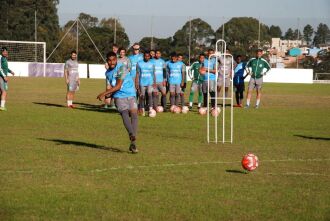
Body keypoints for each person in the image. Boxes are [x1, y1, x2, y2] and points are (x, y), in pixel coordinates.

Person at [97, 52, 138, 153]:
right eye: (109, 60)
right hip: (119, 97)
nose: (111, 62)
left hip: (130, 93)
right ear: (107, 61)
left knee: (134, 114)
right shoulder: (107, 74)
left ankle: (133, 142)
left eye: (113, 60)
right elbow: (114, 88)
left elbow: (118, 86)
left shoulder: (121, 68)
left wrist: (104, 93)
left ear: (116, 60)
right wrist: (108, 95)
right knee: (124, 113)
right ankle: (131, 135)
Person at [135, 51, 155, 116]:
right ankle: (142, 110)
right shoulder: (139, 63)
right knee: (142, 97)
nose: (147, 57)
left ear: (150, 57)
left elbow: (153, 74)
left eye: (148, 56)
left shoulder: (152, 64)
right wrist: (136, 83)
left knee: (149, 94)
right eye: (145, 56)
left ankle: (150, 109)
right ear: (143, 56)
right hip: (142, 82)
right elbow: (137, 74)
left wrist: (154, 82)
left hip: (150, 82)